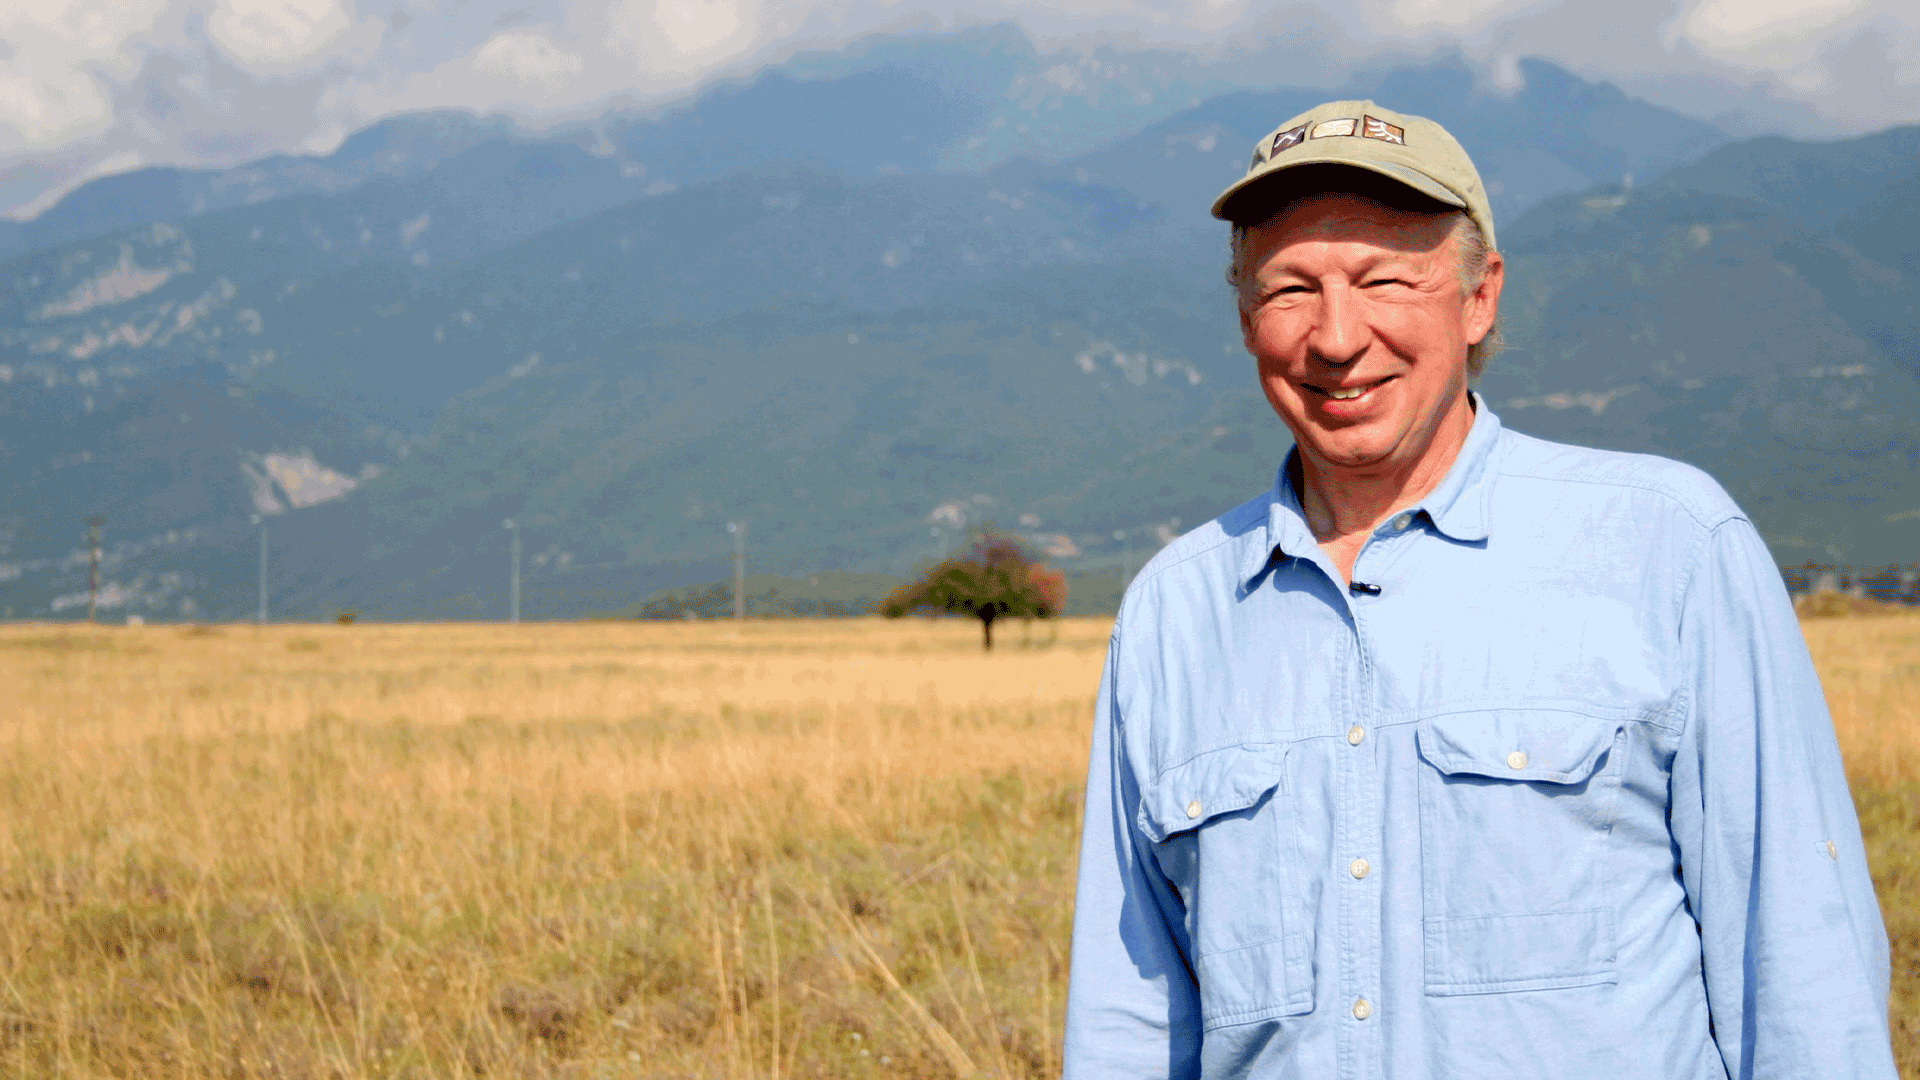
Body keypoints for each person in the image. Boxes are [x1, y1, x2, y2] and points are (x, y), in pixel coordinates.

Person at [1061, 99, 1897, 1079]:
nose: (1337, 337)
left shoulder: (1668, 546)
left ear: (1479, 297)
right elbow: (1129, 1020)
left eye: (1384, 278)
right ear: (1247, 321)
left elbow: (1802, 964)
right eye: (1291, 289)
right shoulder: (1174, 613)